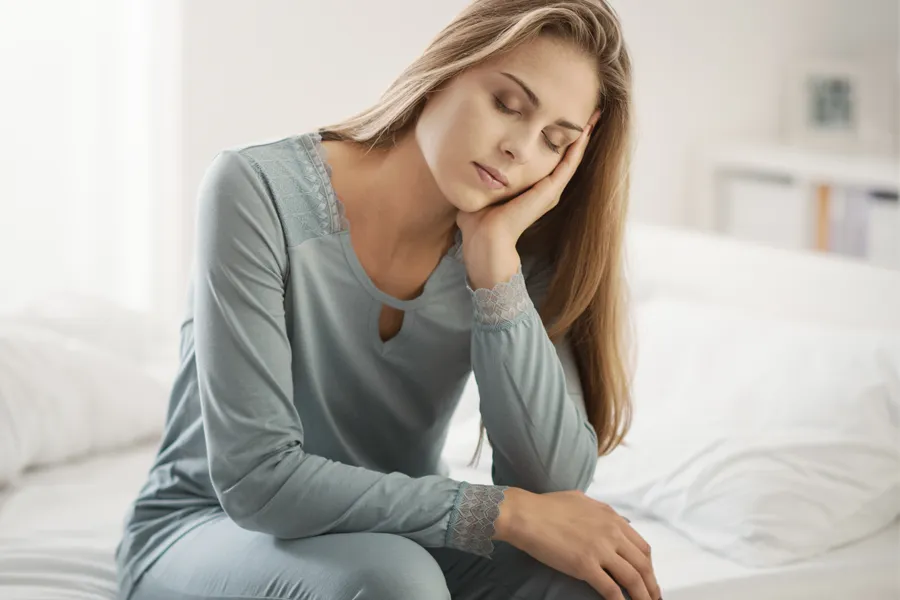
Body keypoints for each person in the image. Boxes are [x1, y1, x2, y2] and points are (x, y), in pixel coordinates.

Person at [114, 0, 660, 599]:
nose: (520, 149)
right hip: (211, 527)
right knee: (396, 583)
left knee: (590, 581)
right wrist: (504, 514)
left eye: (554, 142)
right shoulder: (255, 190)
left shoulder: (517, 250)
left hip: (394, 533)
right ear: (444, 72)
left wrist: (495, 270)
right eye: (507, 104)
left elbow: (554, 486)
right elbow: (257, 481)